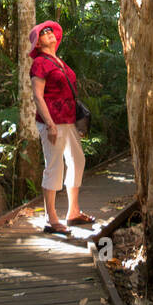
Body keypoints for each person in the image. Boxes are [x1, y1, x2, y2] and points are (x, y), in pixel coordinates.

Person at [28, 20, 94, 233]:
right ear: (37, 43)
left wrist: (77, 124)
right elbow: (38, 96)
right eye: (43, 33)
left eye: (50, 31)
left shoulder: (59, 61)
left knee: (77, 161)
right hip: (52, 121)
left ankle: (73, 212)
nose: (48, 34)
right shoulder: (39, 63)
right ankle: (51, 218)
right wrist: (50, 124)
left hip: (69, 121)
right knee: (55, 166)